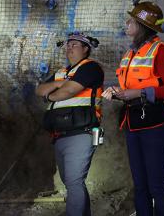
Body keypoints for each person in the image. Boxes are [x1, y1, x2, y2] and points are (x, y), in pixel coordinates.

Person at [102, 1, 164, 216]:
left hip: (155, 122)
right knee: (140, 184)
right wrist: (118, 92)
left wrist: (138, 93)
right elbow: (131, 88)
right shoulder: (129, 54)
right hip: (133, 121)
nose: (127, 23)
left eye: (131, 21)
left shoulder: (161, 51)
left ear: (142, 25)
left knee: (156, 184)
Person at [35, 32, 103, 216]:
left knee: (74, 181)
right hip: (60, 135)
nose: (69, 47)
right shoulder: (62, 72)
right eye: (68, 44)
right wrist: (61, 83)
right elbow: (39, 89)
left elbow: (67, 93)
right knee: (72, 182)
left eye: (74, 44)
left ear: (85, 49)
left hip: (82, 132)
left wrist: (53, 92)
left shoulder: (91, 68)